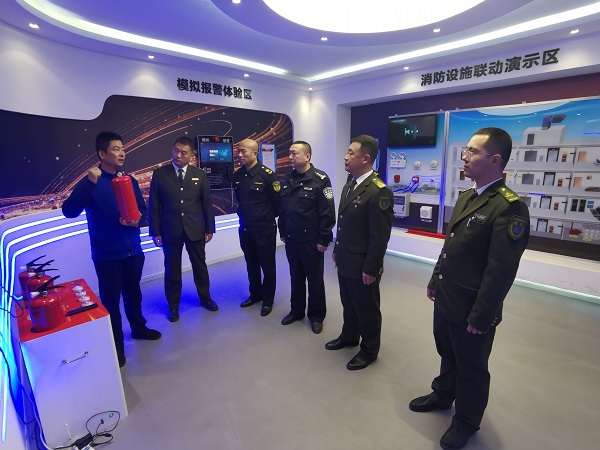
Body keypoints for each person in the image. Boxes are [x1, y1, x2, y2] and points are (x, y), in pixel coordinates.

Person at [409, 127, 530, 450]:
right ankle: (443, 394)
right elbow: (450, 247)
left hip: (472, 307)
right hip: (448, 297)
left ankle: (466, 420)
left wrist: (482, 315)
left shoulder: (509, 207)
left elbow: (501, 270)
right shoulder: (467, 196)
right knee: (447, 352)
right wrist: (435, 280)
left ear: (495, 160)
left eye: (473, 152)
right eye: (466, 150)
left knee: (472, 367)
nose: (465, 157)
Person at [62, 131, 161, 368]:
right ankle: (116, 346)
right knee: (111, 302)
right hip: (107, 255)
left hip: (133, 251)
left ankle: (138, 328)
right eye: (116, 149)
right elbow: (69, 211)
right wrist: (88, 183)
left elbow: (142, 211)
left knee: (133, 294)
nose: (122, 153)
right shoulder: (91, 182)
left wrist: (137, 221)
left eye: (123, 148)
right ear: (102, 154)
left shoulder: (130, 180)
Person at [325, 135, 393, 370]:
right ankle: (349, 336)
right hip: (346, 257)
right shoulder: (350, 184)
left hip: (363, 263)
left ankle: (369, 350)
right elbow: (344, 223)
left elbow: (379, 236)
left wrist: (371, 268)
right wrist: (337, 248)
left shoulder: (378, 191)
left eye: (351, 153)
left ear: (366, 158)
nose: (345, 157)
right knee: (349, 302)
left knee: (366, 308)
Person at [148, 136, 218, 323]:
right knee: (172, 269)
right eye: (176, 150)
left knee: (200, 266)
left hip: (195, 228)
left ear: (191, 155)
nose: (178, 155)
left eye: (183, 152)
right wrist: (156, 231)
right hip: (170, 230)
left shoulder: (199, 174)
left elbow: (206, 204)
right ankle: (173, 306)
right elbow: (154, 205)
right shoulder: (160, 174)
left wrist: (209, 228)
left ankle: (205, 298)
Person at [278, 141, 336, 334]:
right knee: (295, 277)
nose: (290, 157)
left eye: (294, 153)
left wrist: (323, 239)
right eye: (289, 153)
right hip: (292, 238)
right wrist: (282, 231)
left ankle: (317, 316)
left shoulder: (320, 179)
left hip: (311, 240)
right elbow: (284, 209)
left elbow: (327, 212)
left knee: (315, 280)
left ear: (307, 156)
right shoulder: (288, 178)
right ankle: (296, 311)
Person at [233, 138, 280, 317]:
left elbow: (277, 204)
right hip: (245, 228)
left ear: (255, 153)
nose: (239, 155)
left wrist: (263, 217)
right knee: (251, 264)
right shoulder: (238, 175)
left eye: (243, 151)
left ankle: (268, 300)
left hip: (264, 229)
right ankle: (255, 294)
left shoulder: (268, 176)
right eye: (238, 151)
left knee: (267, 266)